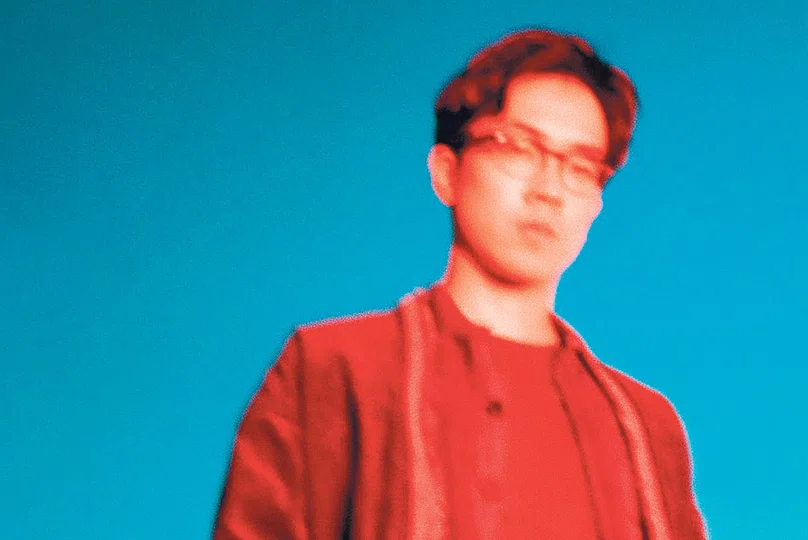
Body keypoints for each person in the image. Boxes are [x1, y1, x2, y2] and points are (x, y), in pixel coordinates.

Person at [213, 28, 708, 540]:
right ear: (446, 172)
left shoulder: (646, 427)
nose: (548, 190)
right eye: (519, 148)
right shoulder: (334, 370)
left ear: (597, 203)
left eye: (580, 167)